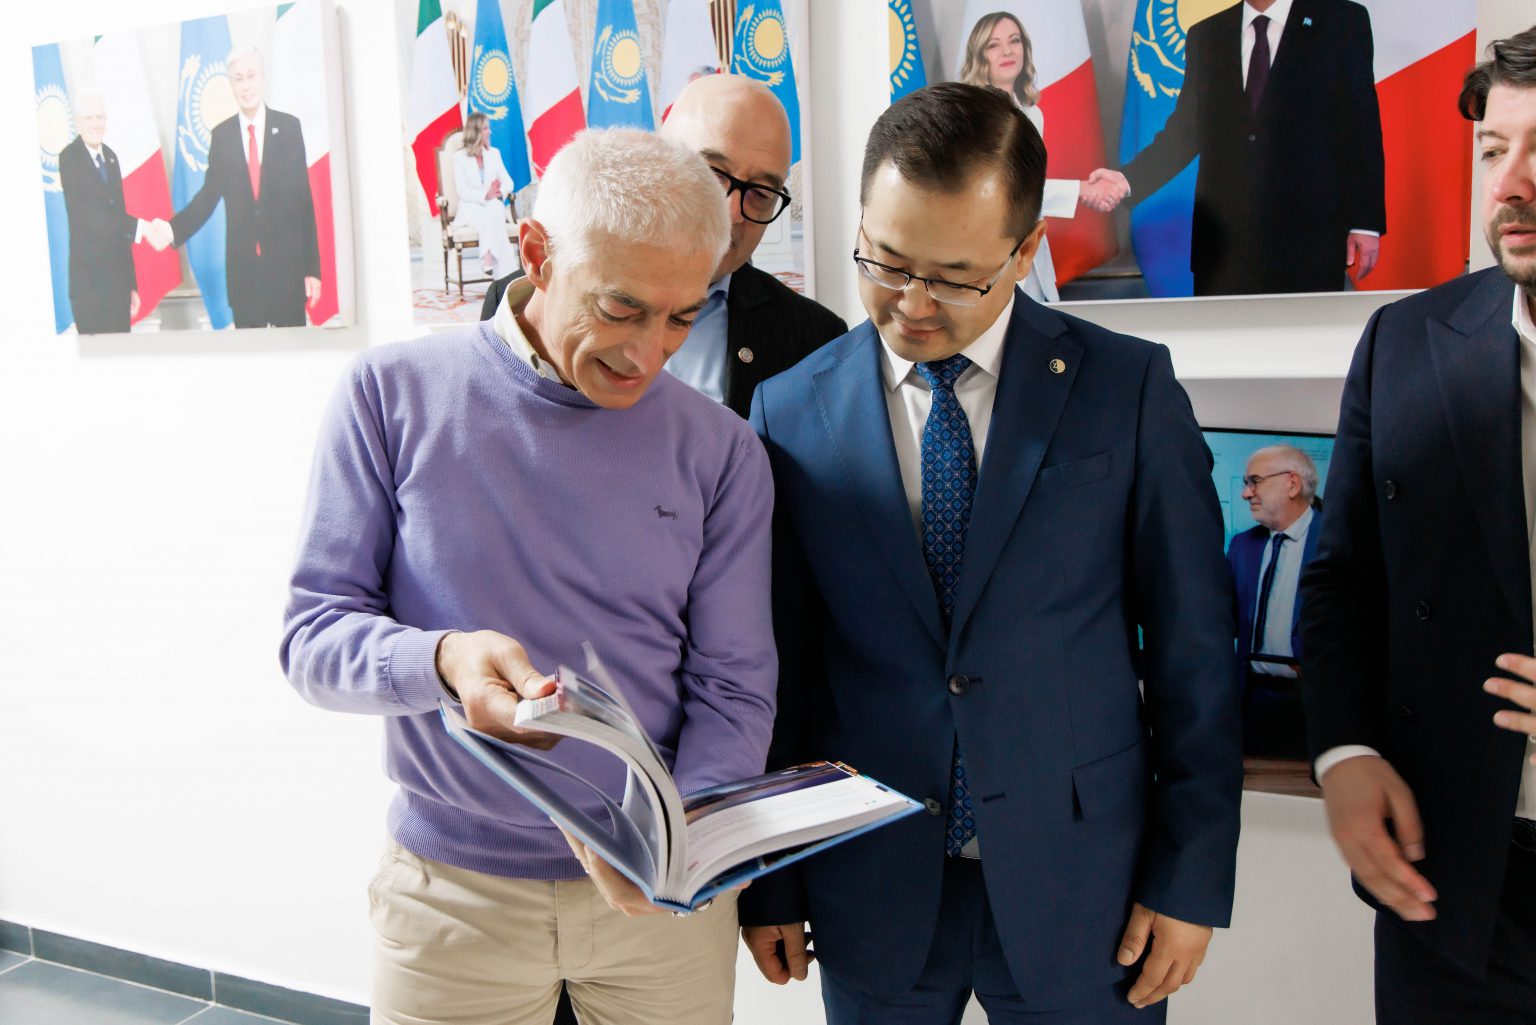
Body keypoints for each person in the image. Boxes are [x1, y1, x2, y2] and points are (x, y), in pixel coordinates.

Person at [739, 82, 1241, 1023]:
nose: (912, 304)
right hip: (868, 882)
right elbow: (781, 667)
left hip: (1086, 887)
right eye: (886, 262)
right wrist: (772, 877)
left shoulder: (1125, 388)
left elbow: (1196, 652)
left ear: (1026, 249)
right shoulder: (790, 408)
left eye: (954, 276)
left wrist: (1192, 876)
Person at [280, 128, 776, 1025]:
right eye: (622, 307)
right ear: (538, 254)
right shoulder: (388, 394)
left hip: (658, 907)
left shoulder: (723, 450)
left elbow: (734, 687)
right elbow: (312, 638)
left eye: (682, 316)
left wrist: (679, 840)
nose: (648, 353)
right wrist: (442, 660)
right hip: (450, 895)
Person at [1299, 26, 1536, 1023]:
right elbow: (1340, 583)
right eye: (1494, 149)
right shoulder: (1403, 342)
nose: (1509, 185)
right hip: (1451, 884)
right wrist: (1344, 753)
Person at [481, 74, 846, 418]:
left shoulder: (814, 338)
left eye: (762, 194)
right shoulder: (520, 302)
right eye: (710, 175)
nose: (731, 212)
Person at [1087, 0, 1385, 296]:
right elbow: (1185, 130)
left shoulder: (1342, 21)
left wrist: (1365, 223)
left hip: (1309, 241)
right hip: (1223, 250)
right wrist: (1126, 180)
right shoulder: (1207, 33)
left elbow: (1360, 124)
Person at [956, 10, 1123, 302]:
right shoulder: (972, 118)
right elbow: (1004, 192)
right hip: (990, 260)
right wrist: (1081, 190)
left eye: (1014, 40)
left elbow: (1030, 187)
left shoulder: (1033, 114)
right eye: (994, 45)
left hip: (1034, 261)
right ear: (980, 56)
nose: (1007, 51)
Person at [149, 45, 320, 327]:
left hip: (287, 274)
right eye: (238, 78)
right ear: (231, 84)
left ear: (262, 77)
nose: (246, 85)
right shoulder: (223, 136)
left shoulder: (289, 127)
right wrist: (171, 230)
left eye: (251, 76)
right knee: (251, 353)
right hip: (245, 279)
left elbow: (304, 202)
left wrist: (312, 269)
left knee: (290, 351)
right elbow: (207, 197)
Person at [1227, 444, 1320, 757]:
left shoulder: (1338, 542)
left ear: (1292, 483)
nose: (1246, 493)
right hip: (1251, 701)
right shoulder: (1242, 546)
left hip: (1316, 702)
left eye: (1254, 481)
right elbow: (1225, 620)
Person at [58, 92, 143, 334]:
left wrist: (131, 284)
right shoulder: (69, 158)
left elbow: (120, 222)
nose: (95, 124)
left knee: (121, 353)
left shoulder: (112, 158)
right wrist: (142, 227)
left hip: (118, 287)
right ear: (77, 122)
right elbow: (95, 217)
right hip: (89, 289)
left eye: (99, 117)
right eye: (88, 118)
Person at [452, 111, 517, 279]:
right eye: (486, 128)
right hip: (470, 207)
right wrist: (485, 195)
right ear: (476, 131)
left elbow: (509, 182)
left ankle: (487, 258)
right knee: (492, 214)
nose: (490, 132)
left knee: (495, 207)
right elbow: (462, 191)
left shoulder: (494, 153)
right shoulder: (459, 158)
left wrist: (499, 193)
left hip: (492, 205)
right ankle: (508, 277)